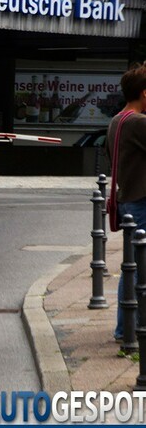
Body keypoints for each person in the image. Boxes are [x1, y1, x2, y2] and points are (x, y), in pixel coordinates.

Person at [105, 62, 146, 341]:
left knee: (132, 267)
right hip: (141, 203)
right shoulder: (138, 123)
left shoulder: (117, 120)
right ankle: (128, 329)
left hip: (128, 201)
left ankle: (126, 328)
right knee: (137, 270)